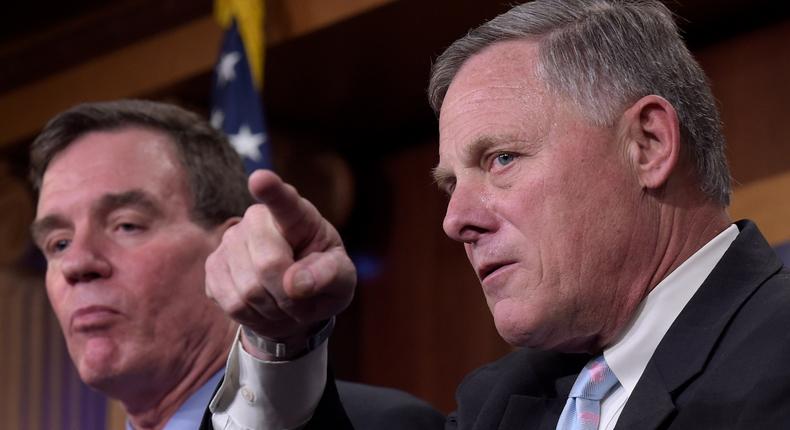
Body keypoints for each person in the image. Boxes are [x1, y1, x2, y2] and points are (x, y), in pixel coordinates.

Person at [206, 0, 790, 429]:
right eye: (451, 183)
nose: (456, 220)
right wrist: (281, 344)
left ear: (648, 144)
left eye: (502, 158)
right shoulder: (504, 401)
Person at [28, 100, 444, 430]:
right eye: (59, 242)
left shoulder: (379, 424)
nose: (77, 264)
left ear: (232, 247)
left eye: (126, 225)